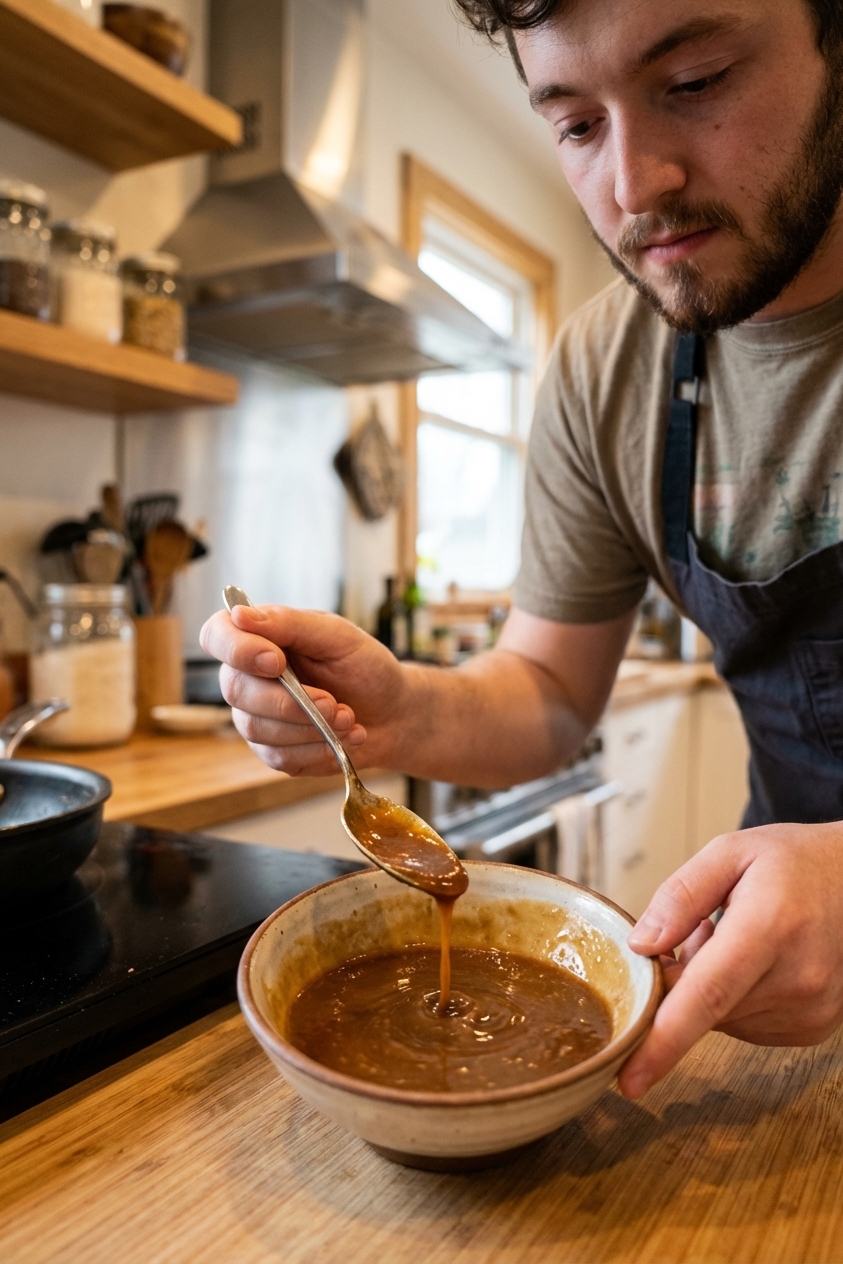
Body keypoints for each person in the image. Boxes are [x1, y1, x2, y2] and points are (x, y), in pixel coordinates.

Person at [201, 0, 843, 1100]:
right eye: (578, 125)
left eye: (694, 83)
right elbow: (549, 690)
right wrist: (397, 707)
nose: (635, 186)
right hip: (788, 985)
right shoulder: (608, 365)